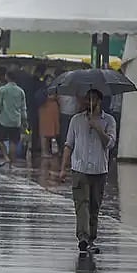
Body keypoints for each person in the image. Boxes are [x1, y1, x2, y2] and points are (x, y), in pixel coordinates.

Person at [57, 89, 116, 254]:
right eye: (88, 98)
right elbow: (69, 144)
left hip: (99, 170)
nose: (90, 102)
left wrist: (98, 128)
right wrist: (63, 168)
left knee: (94, 207)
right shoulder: (76, 120)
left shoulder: (109, 121)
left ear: (99, 101)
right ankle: (83, 237)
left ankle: (91, 238)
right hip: (80, 169)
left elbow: (110, 144)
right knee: (82, 205)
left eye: (93, 99)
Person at [0, 67, 27, 167]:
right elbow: (23, 108)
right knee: (13, 141)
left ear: (6, 77)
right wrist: (24, 121)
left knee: (0, 139)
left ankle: (6, 157)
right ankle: (12, 162)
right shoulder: (21, 91)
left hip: (3, 120)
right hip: (16, 121)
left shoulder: (2, 90)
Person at [39, 71, 62, 157]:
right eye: (48, 80)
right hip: (46, 111)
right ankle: (44, 151)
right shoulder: (43, 90)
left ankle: (48, 150)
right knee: (45, 132)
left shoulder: (54, 89)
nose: (49, 82)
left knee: (52, 132)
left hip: (53, 112)